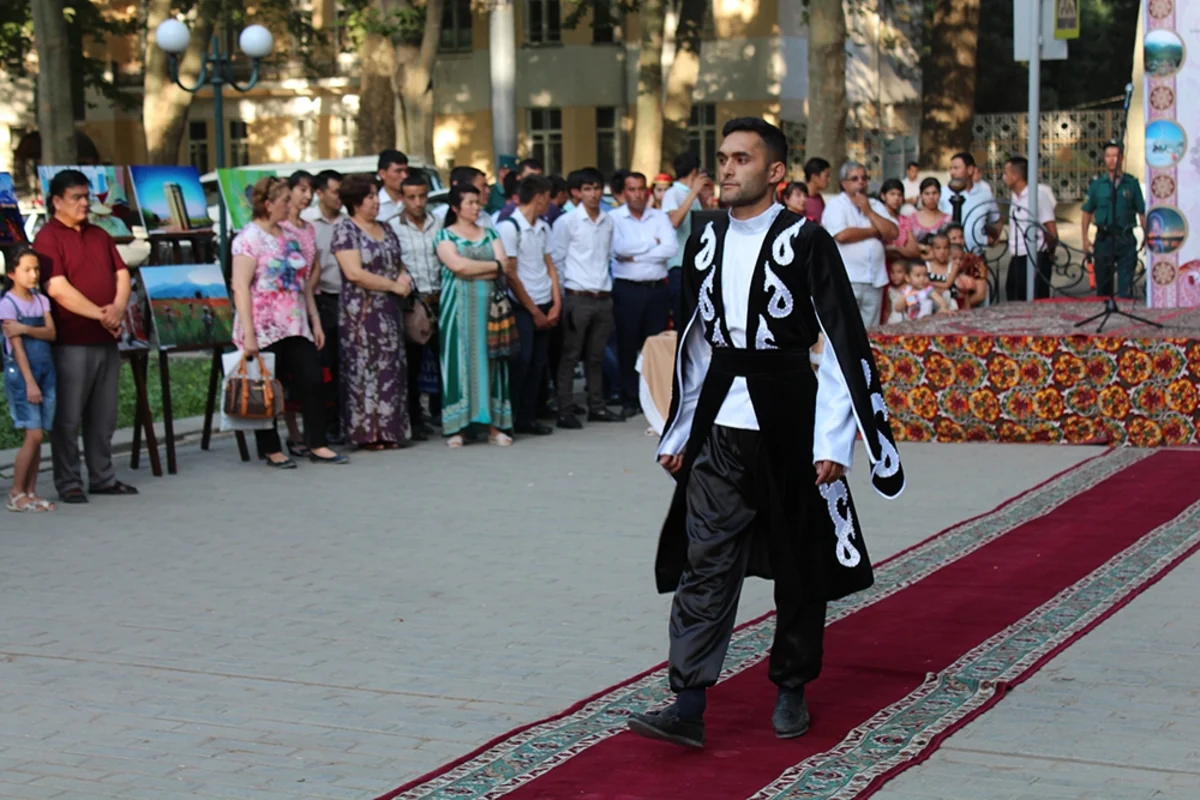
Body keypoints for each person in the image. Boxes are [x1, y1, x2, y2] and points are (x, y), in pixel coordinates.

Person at [627, 117, 904, 749]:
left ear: (775, 173)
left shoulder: (808, 240)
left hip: (790, 415)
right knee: (706, 559)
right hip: (721, 419)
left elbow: (838, 341)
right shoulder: (702, 239)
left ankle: (791, 688)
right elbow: (696, 341)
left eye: (740, 159)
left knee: (800, 564)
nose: (725, 168)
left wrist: (834, 441)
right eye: (722, 157)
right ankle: (688, 702)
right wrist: (678, 430)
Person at [35, 169, 137, 503]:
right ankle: (68, 481)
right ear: (56, 201)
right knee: (68, 416)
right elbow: (58, 289)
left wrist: (117, 309)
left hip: (106, 338)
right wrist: (102, 314)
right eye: (76, 197)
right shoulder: (48, 238)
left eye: (86, 196)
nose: (84, 203)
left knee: (104, 414)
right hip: (71, 340)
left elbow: (122, 274)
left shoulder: (99, 234)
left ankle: (102, 477)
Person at [230, 176, 348, 468]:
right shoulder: (248, 238)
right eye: (284, 200)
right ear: (268, 205)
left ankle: (316, 443)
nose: (290, 205)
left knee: (311, 379)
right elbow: (241, 287)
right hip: (264, 325)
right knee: (268, 386)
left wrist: (315, 321)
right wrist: (248, 333)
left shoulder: (290, 236)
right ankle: (271, 448)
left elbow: (304, 283)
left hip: (295, 323)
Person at [331, 175, 414, 450]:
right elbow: (354, 273)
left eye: (376, 197)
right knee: (363, 371)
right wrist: (391, 285)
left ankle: (391, 431)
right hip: (361, 313)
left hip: (389, 312)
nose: (376, 202)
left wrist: (403, 278)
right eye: (369, 198)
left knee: (391, 369)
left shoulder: (387, 229)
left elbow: (397, 262)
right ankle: (366, 433)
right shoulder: (346, 230)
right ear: (355, 202)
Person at [435, 183, 514, 447]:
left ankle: (494, 426)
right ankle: (458, 426)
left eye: (477, 202)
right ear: (456, 207)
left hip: (491, 310)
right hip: (457, 309)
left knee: (492, 361)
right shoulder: (445, 236)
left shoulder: (490, 233)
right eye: (469, 202)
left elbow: (506, 266)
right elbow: (458, 266)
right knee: (459, 361)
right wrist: (492, 266)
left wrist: (484, 268)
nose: (475, 207)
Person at [551, 167, 623, 429]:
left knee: (596, 356)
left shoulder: (608, 220)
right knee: (570, 355)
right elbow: (557, 260)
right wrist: (561, 298)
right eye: (587, 189)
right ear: (577, 193)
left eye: (596, 188)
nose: (593, 194)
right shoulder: (567, 222)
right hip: (577, 295)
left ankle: (597, 406)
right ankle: (565, 408)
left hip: (602, 295)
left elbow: (607, 256)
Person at [497, 174, 562, 436]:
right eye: (547, 198)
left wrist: (556, 303)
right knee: (520, 362)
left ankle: (528, 417)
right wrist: (534, 311)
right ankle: (509, 418)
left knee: (538, 364)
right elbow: (510, 274)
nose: (549, 203)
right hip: (523, 305)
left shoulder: (543, 226)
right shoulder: (509, 227)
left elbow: (550, 266)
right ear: (539, 198)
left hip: (545, 300)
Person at [610, 171, 678, 418]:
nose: (637, 194)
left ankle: (656, 397)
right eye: (632, 189)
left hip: (657, 290)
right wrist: (652, 245)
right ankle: (630, 398)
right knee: (627, 345)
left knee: (655, 345)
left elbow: (670, 248)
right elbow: (618, 249)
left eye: (641, 189)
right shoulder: (614, 218)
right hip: (627, 290)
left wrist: (636, 256)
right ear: (623, 192)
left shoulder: (659, 217)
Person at [3, 248, 56, 512]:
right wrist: (29, 382)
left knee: (40, 434)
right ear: (12, 273)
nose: (33, 274)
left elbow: (51, 332)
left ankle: (31, 491)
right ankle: (16, 492)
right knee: (32, 434)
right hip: (24, 373)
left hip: (46, 370)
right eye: (27, 270)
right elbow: (18, 348)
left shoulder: (40, 300)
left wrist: (25, 328)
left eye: (36, 269)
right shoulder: (7, 304)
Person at [393, 173, 445, 439]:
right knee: (411, 364)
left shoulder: (438, 223)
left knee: (444, 359)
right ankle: (414, 419)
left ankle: (443, 412)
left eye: (422, 196)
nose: (417, 202)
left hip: (440, 297)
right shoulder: (392, 226)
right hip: (412, 303)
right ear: (402, 198)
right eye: (411, 197)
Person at [822, 161, 899, 329]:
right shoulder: (835, 205)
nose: (861, 182)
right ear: (844, 183)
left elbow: (893, 233)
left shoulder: (876, 205)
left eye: (864, 178)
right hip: (847, 279)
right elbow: (842, 235)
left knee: (869, 334)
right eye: (855, 178)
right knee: (845, 331)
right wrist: (876, 231)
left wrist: (869, 212)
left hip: (874, 280)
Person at [300, 168, 346, 442]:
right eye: (335, 191)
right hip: (320, 298)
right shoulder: (307, 224)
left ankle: (342, 422)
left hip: (347, 297)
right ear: (320, 193)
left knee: (344, 363)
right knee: (325, 363)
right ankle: (327, 424)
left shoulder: (347, 221)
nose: (339, 197)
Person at [281, 170, 318, 455]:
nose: (307, 196)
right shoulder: (280, 228)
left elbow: (313, 263)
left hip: (307, 299)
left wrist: (308, 287)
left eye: (310, 191)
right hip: (283, 306)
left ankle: (310, 433)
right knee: (285, 374)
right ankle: (292, 432)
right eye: (302, 190)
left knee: (309, 374)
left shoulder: (308, 228)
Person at [1081, 141, 1145, 299]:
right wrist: (1084, 239)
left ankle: (1124, 319)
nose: (1111, 160)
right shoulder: (1097, 185)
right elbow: (1087, 213)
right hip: (1104, 239)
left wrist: (1146, 235)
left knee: (1125, 287)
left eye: (1115, 156)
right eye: (1108, 156)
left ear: (1122, 158)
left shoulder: (1131, 184)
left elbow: (1142, 212)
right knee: (1103, 287)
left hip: (1125, 238)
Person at [662, 153, 709, 332]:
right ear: (695, 172)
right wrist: (694, 193)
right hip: (678, 265)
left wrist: (702, 198)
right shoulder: (672, 193)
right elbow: (674, 221)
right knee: (683, 318)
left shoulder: (692, 195)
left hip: (696, 265)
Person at [1002, 155, 1058, 302]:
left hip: (1035, 256)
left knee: (1037, 299)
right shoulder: (1015, 197)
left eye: (1006, 173)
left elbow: (1051, 230)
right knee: (1014, 296)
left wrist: (1048, 253)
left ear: (1016, 175)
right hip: (1017, 256)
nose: (1003, 177)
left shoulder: (1038, 195)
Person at [938, 152, 1000, 254]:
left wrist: (991, 239)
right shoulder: (942, 193)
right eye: (951, 168)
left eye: (956, 168)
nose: (952, 172)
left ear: (970, 170)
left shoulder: (984, 194)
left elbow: (996, 220)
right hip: (947, 256)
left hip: (975, 255)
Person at [880, 178, 921, 264]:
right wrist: (904, 250)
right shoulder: (879, 219)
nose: (896, 198)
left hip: (903, 267)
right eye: (892, 194)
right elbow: (880, 251)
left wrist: (896, 248)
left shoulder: (905, 220)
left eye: (899, 195)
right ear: (883, 196)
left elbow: (914, 251)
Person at [908, 177, 950, 244]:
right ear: (921, 196)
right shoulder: (911, 219)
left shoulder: (948, 220)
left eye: (934, 193)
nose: (931, 197)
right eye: (927, 194)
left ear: (940, 194)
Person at [375, 149, 409, 227]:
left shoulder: (413, 201)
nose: (404, 176)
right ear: (382, 174)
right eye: (398, 171)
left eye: (406, 171)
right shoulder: (376, 204)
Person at [802, 157, 832, 224]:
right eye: (826, 176)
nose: (829, 180)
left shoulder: (818, 198)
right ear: (814, 177)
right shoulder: (800, 199)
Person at [883, 258, 910, 324]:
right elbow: (887, 310)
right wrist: (885, 324)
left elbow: (912, 306)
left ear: (907, 274)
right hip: (893, 321)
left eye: (899, 272)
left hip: (907, 321)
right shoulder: (890, 290)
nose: (895, 276)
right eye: (892, 272)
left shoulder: (910, 289)